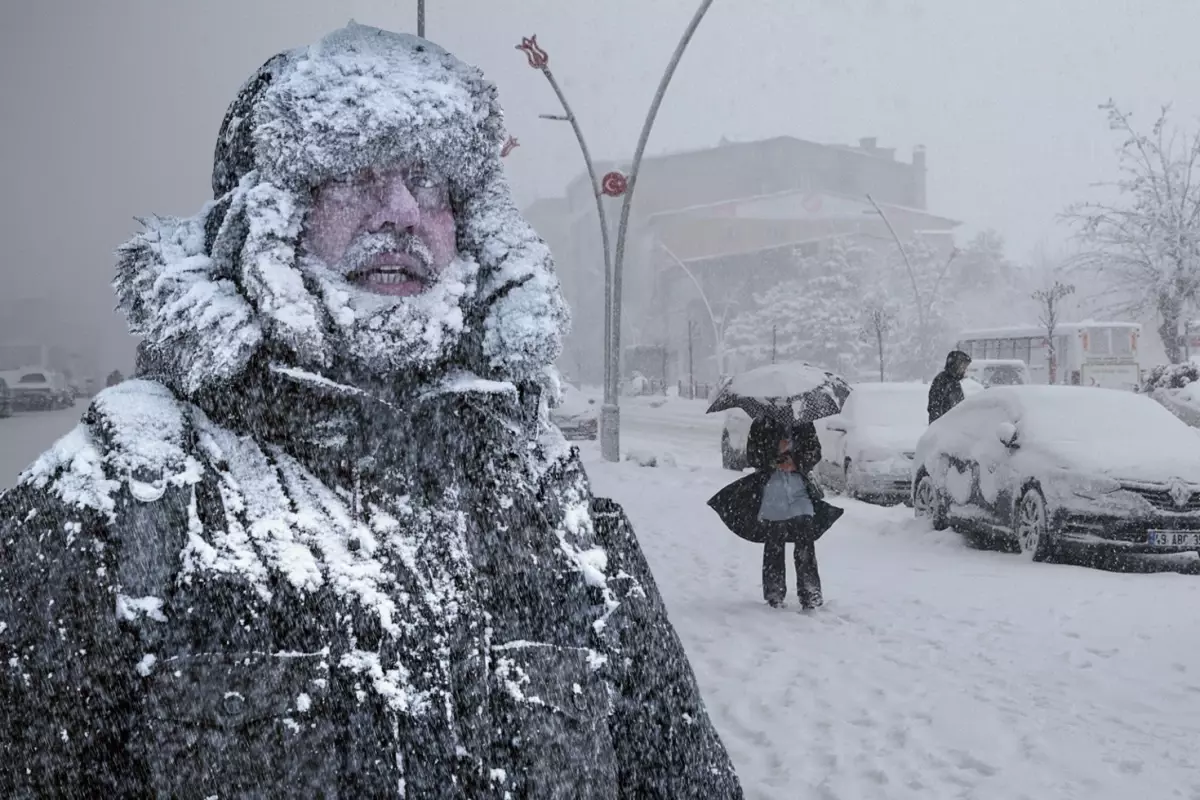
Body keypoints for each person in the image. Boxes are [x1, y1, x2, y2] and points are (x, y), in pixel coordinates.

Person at [0, 25, 743, 798]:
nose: (402, 213)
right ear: (267, 217)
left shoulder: (551, 504)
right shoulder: (119, 504)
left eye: (431, 183)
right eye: (353, 175)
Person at [747, 418, 825, 609]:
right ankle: (774, 591)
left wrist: (796, 461)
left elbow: (815, 453)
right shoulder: (761, 423)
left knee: (805, 540)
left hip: (799, 491)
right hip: (773, 491)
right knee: (774, 541)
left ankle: (810, 591)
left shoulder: (804, 423)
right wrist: (775, 456)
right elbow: (752, 457)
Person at [928, 349, 971, 423]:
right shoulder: (942, 381)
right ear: (956, 365)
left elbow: (960, 405)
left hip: (954, 426)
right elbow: (935, 409)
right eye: (963, 367)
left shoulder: (955, 382)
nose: (964, 370)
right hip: (945, 428)